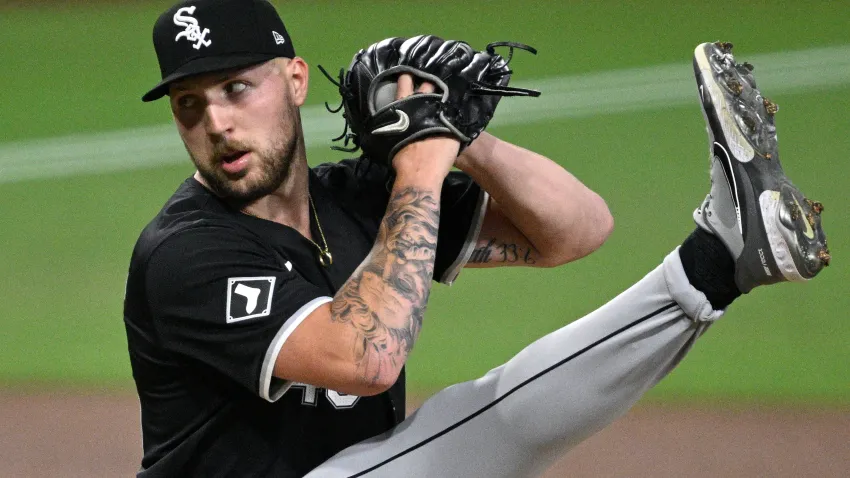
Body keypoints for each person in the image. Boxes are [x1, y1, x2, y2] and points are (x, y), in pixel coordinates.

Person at [124, 0, 829, 477]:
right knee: (473, 423)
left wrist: (463, 136)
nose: (216, 123)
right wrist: (423, 162)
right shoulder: (185, 254)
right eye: (192, 104)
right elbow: (365, 359)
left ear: (295, 80)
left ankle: (718, 262)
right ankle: (715, 261)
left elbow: (578, 229)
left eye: (236, 89)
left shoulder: (357, 197)